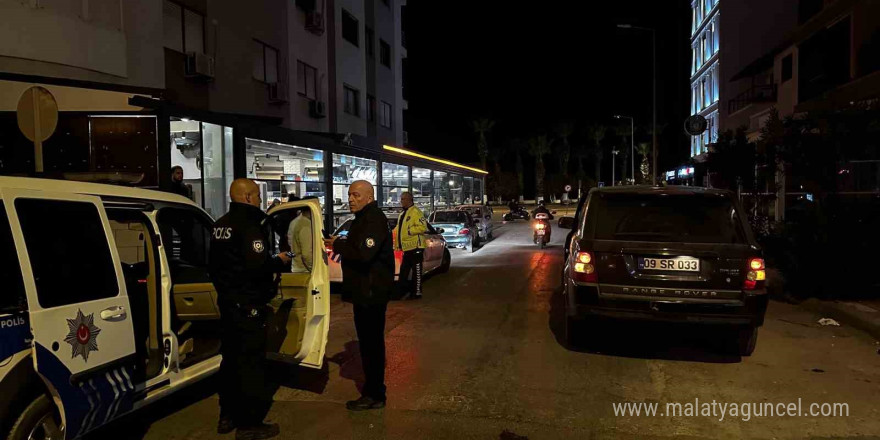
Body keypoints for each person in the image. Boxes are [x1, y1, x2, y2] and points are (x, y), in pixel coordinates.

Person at [209, 178, 292, 440]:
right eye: (256, 195)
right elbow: (257, 265)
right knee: (251, 365)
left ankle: (227, 415)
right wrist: (278, 261)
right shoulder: (251, 226)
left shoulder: (219, 225)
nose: (259, 200)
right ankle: (250, 423)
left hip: (227, 304)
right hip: (249, 306)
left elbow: (214, 266)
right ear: (246, 197)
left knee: (230, 361)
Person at [323, 180, 393, 411]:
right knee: (368, 345)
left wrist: (340, 246)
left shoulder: (373, 219)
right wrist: (341, 243)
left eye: (356, 195)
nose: (350, 199)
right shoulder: (361, 220)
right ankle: (373, 392)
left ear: (369, 197)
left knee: (372, 346)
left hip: (370, 295)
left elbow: (364, 253)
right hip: (364, 293)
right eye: (350, 195)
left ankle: (374, 394)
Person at [394, 192, 429, 300]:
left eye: (404, 199)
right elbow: (398, 230)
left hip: (416, 247)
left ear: (410, 200)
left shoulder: (415, 212)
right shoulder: (402, 214)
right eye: (401, 199)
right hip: (407, 248)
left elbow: (423, 227)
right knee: (404, 272)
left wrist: (410, 231)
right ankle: (400, 293)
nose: (401, 201)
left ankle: (416, 293)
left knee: (416, 271)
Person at [287, 198, 314, 273]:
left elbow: (290, 243)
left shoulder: (294, 222)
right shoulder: (306, 225)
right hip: (305, 270)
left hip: (296, 267)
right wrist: (314, 270)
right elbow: (307, 254)